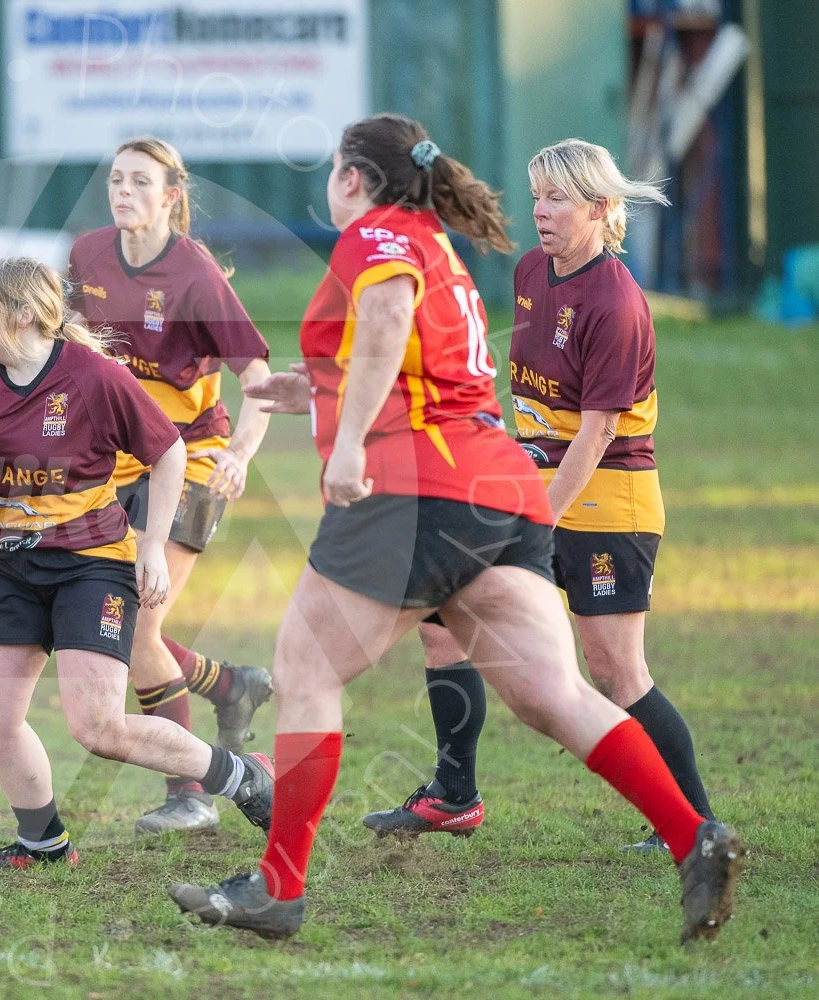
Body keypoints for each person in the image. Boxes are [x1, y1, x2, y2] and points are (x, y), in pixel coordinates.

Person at [166, 114, 742, 942]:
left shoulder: (378, 237)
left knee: (305, 669)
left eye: (335, 168)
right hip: (497, 491)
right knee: (554, 693)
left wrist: (351, 441)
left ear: (357, 179)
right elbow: (417, 369)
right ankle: (696, 837)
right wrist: (321, 396)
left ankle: (278, 886)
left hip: (414, 491)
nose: (330, 182)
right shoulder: (434, 242)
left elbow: (390, 327)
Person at [362, 139, 714, 854]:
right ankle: (453, 795)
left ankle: (699, 826)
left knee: (615, 671)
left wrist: (536, 518)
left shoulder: (617, 303)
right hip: (532, 491)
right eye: (537, 196)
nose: (541, 212)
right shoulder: (530, 271)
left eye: (558, 199)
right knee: (440, 617)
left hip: (607, 502)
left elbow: (592, 439)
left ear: (601, 208)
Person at [0, 257, 273, 868]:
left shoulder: (94, 377)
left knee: (99, 727)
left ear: (20, 314)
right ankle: (44, 843)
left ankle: (239, 775)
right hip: (10, 564)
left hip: (92, 565)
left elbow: (167, 453)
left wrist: (155, 545)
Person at [66, 137, 275, 836]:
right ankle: (231, 685)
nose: (122, 191)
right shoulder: (88, 255)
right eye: (116, 179)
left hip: (191, 458)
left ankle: (192, 792)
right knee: (115, 623)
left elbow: (263, 387)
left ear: (170, 196)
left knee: (137, 625)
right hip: (115, 462)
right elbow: (68, 348)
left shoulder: (196, 277)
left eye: (139, 182)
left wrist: (240, 453)